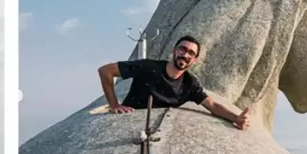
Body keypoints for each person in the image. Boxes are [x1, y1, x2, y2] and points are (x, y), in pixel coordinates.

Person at [97, 36, 251, 130]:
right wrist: (114, 105)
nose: (185, 54)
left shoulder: (189, 83)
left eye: (191, 53)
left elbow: (212, 105)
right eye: (182, 49)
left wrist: (236, 118)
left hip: (157, 130)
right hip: (129, 124)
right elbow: (105, 71)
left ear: (195, 59)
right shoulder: (148, 67)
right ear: (174, 51)